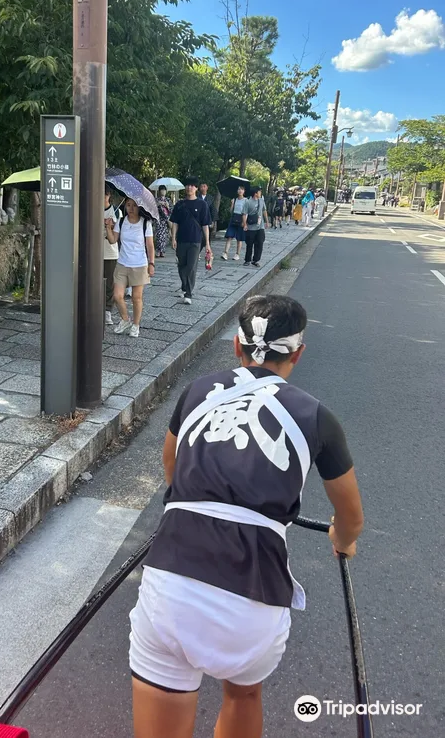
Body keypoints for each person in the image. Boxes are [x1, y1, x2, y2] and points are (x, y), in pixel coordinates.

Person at [128, 293, 364, 738]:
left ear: (236, 347)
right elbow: (350, 516)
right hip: (254, 598)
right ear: (298, 353)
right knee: (242, 693)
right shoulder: (317, 417)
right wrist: (342, 539)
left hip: (170, 581)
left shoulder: (199, 391)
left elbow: (171, 468)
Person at [105, 197, 154, 337]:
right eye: (128, 205)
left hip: (139, 264)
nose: (131, 208)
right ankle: (125, 319)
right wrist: (108, 227)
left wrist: (151, 263)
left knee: (136, 297)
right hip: (122, 263)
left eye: (134, 205)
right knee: (117, 295)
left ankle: (136, 325)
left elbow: (150, 245)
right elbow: (113, 240)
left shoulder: (145, 223)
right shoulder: (121, 222)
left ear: (139, 207)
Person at [170, 177, 212, 305]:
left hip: (195, 240)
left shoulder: (202, 204)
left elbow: (205, 225)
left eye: (192, 186)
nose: (189, 188)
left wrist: (208, 244)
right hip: (182, 239)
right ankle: (184, 285)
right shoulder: (179, 204)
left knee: (192, 266)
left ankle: (188, 293)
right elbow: (175, 223)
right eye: (187, 185)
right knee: (182, 265)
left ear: (196, 188)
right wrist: (173, 237)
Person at [103, 184, 119, 326]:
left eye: (104, 195)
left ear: (108, 195)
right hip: (93, 252)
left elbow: (117, 235)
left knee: (109, 284)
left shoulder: (116, 212)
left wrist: (110, 225)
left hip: (110, 253)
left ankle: (108, 310)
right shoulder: (91, 209)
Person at [242, 186, 268, 267]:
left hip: (260, 226)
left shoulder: (261, 200)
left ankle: (256, 260)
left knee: (260, 242)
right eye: (259, 192)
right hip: (251, 226)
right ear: (255, 193)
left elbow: (264, 211)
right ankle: (247, 259)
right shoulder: (248, 202)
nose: (260, 193)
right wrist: (245, 224)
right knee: (249, 244)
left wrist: (267, 221)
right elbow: (244, 214)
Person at [221, 184, 247, 261]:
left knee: (239, 239)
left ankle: (237, 254)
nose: (240, 191)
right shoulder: (234, 199)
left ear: (244, 191)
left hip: (241, 219)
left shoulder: (246, 200)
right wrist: (232, 204)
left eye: (242, 189)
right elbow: (230, 211)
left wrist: (244, 222)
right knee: (229, 236)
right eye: (239, 189)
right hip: (233, 218)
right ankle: (225, 253)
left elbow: (246, 212)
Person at [153, 185, 171, 258]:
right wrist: (159, 204)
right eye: (161, 190)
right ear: (159, 191)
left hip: (165, 220)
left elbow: (171, 210)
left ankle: (162, 251)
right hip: (158, 219)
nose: (163, 191)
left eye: (164, 190)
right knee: (159, 236)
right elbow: (153, 208)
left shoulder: (168, 200)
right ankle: (158, 250)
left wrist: (167, 206)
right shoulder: (156, 199)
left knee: (164, 236)